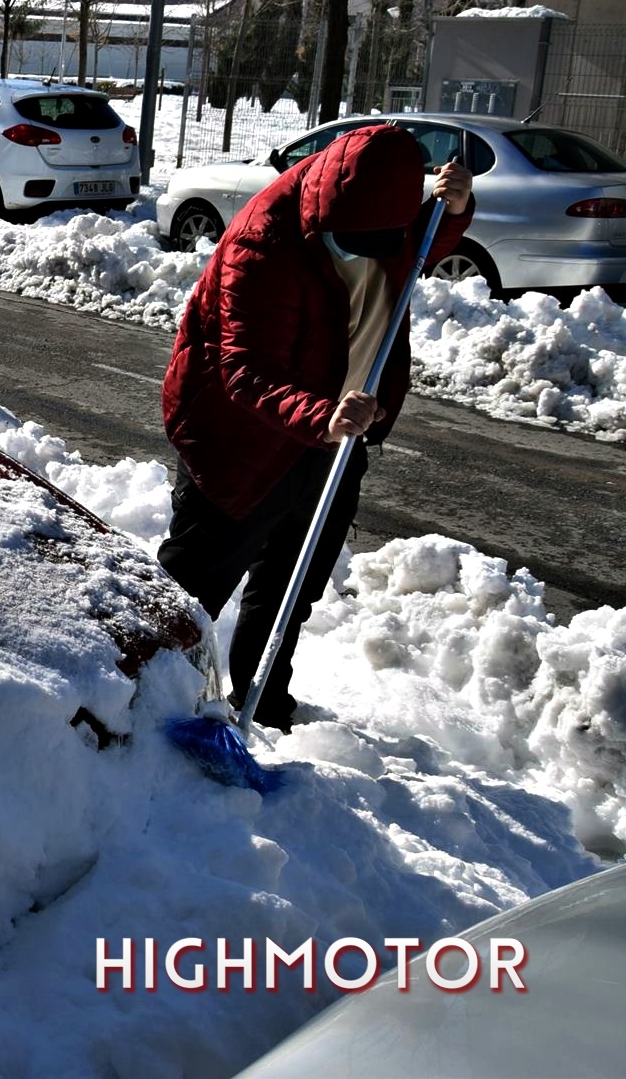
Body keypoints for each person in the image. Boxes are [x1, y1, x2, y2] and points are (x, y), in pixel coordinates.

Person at [157, 124, 474, 731]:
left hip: (336, 435)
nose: (369, 252)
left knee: (288, 585)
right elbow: (243, 368)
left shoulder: (390, 212)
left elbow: (419, 248)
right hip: (242, 441)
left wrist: (455, 210)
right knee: (191, 591)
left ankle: (260, 704)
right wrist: (319, 416)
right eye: (351, 243)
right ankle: (139, 708)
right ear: (325, 209)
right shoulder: (263, 242)